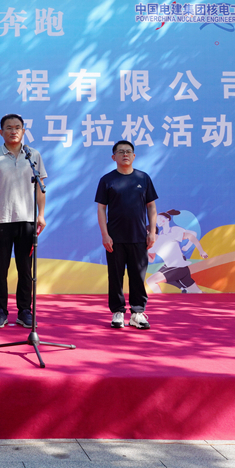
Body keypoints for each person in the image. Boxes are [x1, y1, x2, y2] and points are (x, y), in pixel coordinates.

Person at [0, 114, 46, 329]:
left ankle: (25, 311)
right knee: (0, 269)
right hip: (2, 219)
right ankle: (0, 311)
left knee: (25, 269)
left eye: (17, 127)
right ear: (1, 132)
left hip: (27, 219)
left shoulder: (33, 155)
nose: (13, 131)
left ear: (24, 131)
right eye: (8, 128)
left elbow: (40, 188)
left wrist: (41, 214)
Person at [95, 140, 158, 329]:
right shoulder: (107, 180)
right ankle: (118, 312)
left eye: (128, 151)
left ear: (134, 156)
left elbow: (151, 206)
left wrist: (152, 231)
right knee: (115, 276)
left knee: (138, 276)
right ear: (113, 157)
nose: (125, 154)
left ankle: (137, 313)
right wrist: (105, 234)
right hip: (115, 238)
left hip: (139, 237)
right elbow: (101, 209)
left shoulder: (143, 178)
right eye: (121, 151)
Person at [146, 210, 209, 294]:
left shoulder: (170, 234)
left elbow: (191, 235)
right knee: (198, 293)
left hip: (178, 267)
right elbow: (151, 260)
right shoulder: (154, 243)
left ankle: (162, 300)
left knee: (151, 281)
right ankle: (184, 288)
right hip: (175, 268)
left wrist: (201, 251)